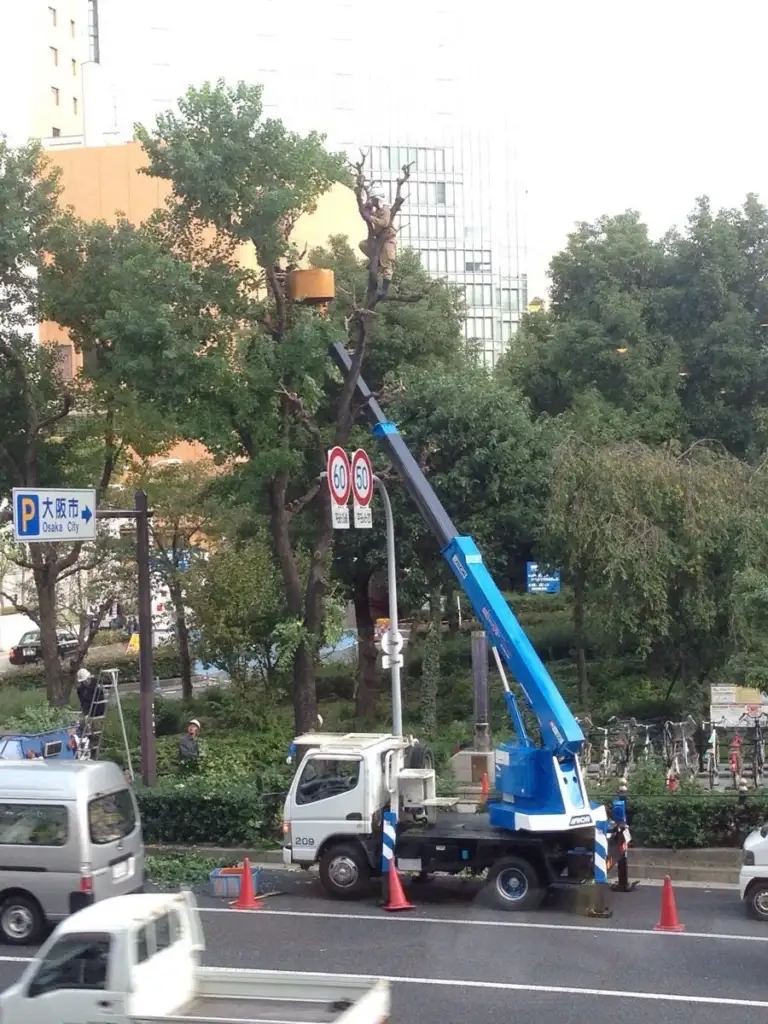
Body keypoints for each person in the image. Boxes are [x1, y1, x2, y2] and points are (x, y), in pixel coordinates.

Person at [359, 194, 397, 296]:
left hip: (388, 240)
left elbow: (384, 223)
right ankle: (377, 260)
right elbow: (373, 217)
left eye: (374, 199)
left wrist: (371, 217)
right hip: (378, 239)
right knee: (363, 244)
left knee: (387, 264)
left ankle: (384, 290)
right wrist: (369, 211)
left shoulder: (386, 210)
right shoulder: (378, 211)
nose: (372, 200)